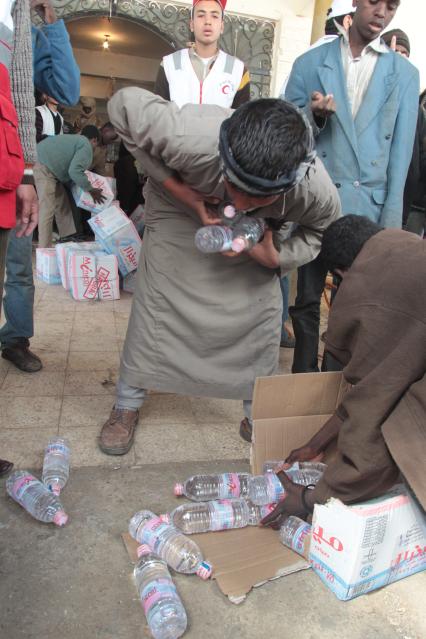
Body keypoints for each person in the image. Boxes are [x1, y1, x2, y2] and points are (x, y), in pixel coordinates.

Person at [99, 88, 341, 455]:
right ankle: (126, 402)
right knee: (154, 307)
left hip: (257, 235)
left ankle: (254, 410)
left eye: (256, 195)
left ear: (290, 185)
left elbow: (325, 231)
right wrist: (179, 190)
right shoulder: (186, 136)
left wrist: (277, 257)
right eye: (235, 187)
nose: (238, 203)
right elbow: (121, 106)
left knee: (259, 314)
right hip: (179, 209)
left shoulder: (313, 189)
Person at [262, 215, 426, 527]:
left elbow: (373, 413)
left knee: (404, 423)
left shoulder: (372, 297)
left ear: (342, 272)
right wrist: (316, 444)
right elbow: (373, 388)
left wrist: (311, 498)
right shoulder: (405, 246)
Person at [284, 0, 419, 374]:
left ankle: (332, 383)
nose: (382, 13)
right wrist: (312, 115)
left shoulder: (405, 75)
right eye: (375, 2)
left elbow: (400, 154)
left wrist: (390, 225)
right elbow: (283, 128)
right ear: (355, 3)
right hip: (318, 199)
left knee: (354, 303)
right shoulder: (311, 64)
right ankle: (302, 379)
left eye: (391, 7)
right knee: (307, 299)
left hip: (368, 208)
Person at [0, 0, 80, 375]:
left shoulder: (27, 37)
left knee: (18, 264)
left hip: (15, 165)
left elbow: (67, 87)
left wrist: (50, 19)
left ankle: (15, 338)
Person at [0, 0, 36, 477]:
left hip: (6, 174)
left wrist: (27, 172)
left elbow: (22, 90)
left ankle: (15, 337)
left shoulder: (20, 11)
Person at [154, 0, 250, 108]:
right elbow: (159, 115)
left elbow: (242, 122)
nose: (208, 21)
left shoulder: (238, 70)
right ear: (191, 25)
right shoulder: (169, 64)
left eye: (214, 16)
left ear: (222, 26)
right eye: (201, 15)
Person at [34, 126, 105, 248]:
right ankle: (44, 249)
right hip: (44, 166)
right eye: (96, 144)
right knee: (47, 209)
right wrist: (91, 189)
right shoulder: (86, 145)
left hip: (47, 165)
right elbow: (75, 171)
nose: (95, 148)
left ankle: (67, 239)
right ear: (94, 140)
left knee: (62, 203)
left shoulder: (76, 140)